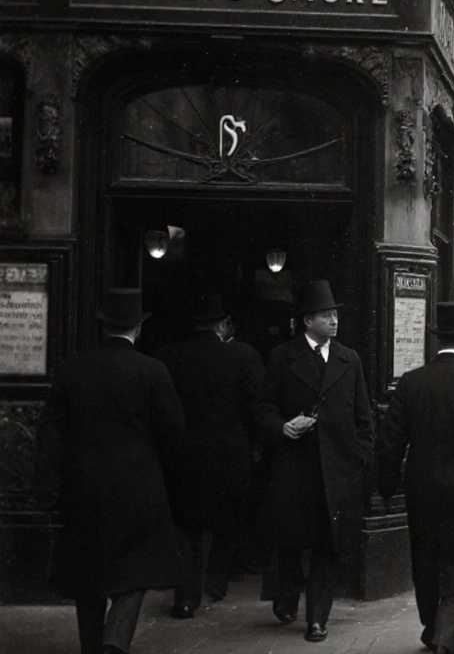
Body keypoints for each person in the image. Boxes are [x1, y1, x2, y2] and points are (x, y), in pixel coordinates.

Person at [38, 288, 185, 654]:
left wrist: (48, 488)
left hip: (83, 489)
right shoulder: (153, 371)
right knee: (135, 574)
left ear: (103, 326)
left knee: (88, 575)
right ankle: (115, 642)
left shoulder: (72, 370)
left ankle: (93, 646)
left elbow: (49, 437)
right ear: (138, 327)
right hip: (139, 489)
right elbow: (174, 434)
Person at [255, 280, 373, 642]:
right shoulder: (281, 357)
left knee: (327, 544)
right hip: (294, 468)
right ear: (307, 321)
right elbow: (261, 407)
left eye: (335, 314)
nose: (334, 321)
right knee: (290, 540)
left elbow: (364, 419)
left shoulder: (348, 359)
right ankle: (288, 591)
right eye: (326, 315)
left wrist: (359, 460)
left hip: (335, 470)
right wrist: (281, 427)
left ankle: (317, 618)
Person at [375, 302, 454, 654]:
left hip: (422, 488)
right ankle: (446, 631)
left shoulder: (412, 382)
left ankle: (432, 625)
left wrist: (387, 485)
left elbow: (390, 441)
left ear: (436, 340)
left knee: (425, 558)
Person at [153, 294, 264, 618]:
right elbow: (255, 407)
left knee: (186, 527)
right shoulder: (244, 356)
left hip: (183, 455)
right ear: (222, 323)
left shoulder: (167, 357)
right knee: (228, 520)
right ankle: (216, 581)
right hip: (231, 452)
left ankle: (187, 596)